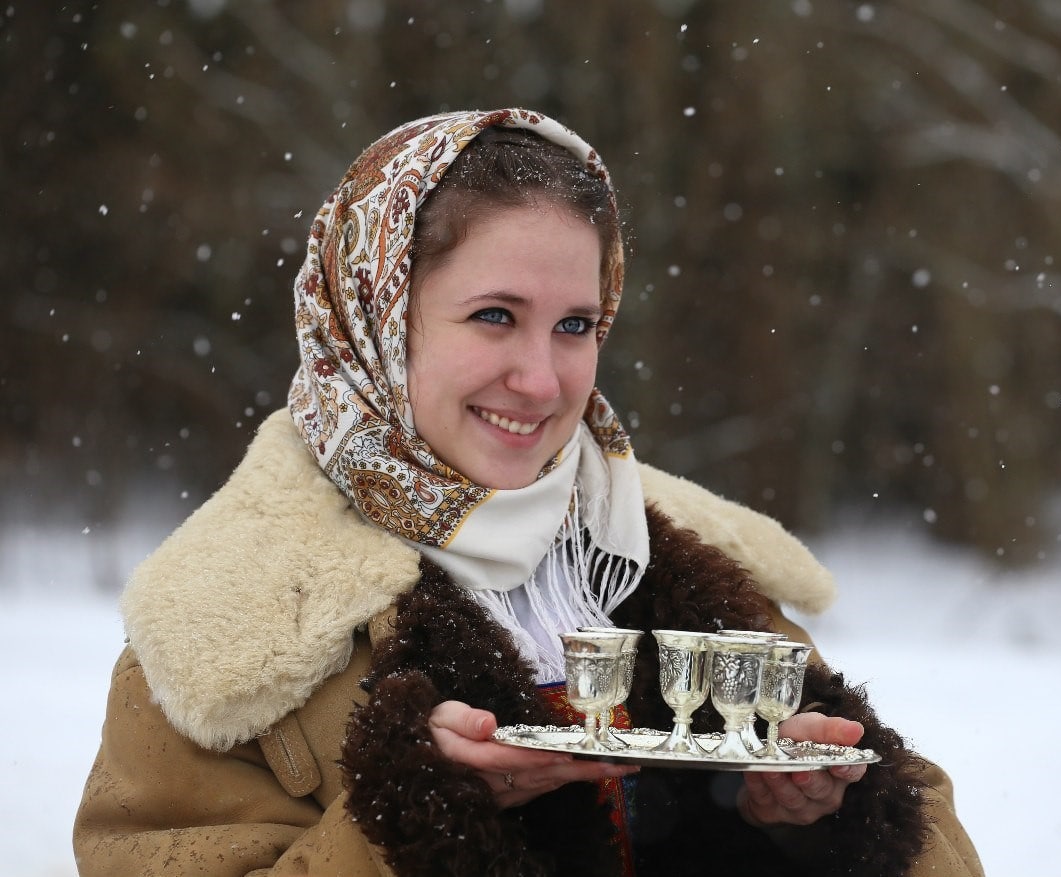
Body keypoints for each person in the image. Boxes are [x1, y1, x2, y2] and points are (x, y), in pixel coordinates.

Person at [73, 108, 983, 877]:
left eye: (576, 324)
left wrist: (819, 826)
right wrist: (409, 820)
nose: (543, 381)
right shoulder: (227, 617)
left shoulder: (681, 555)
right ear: (376, 320)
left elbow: (942, 848)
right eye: (494, 316)